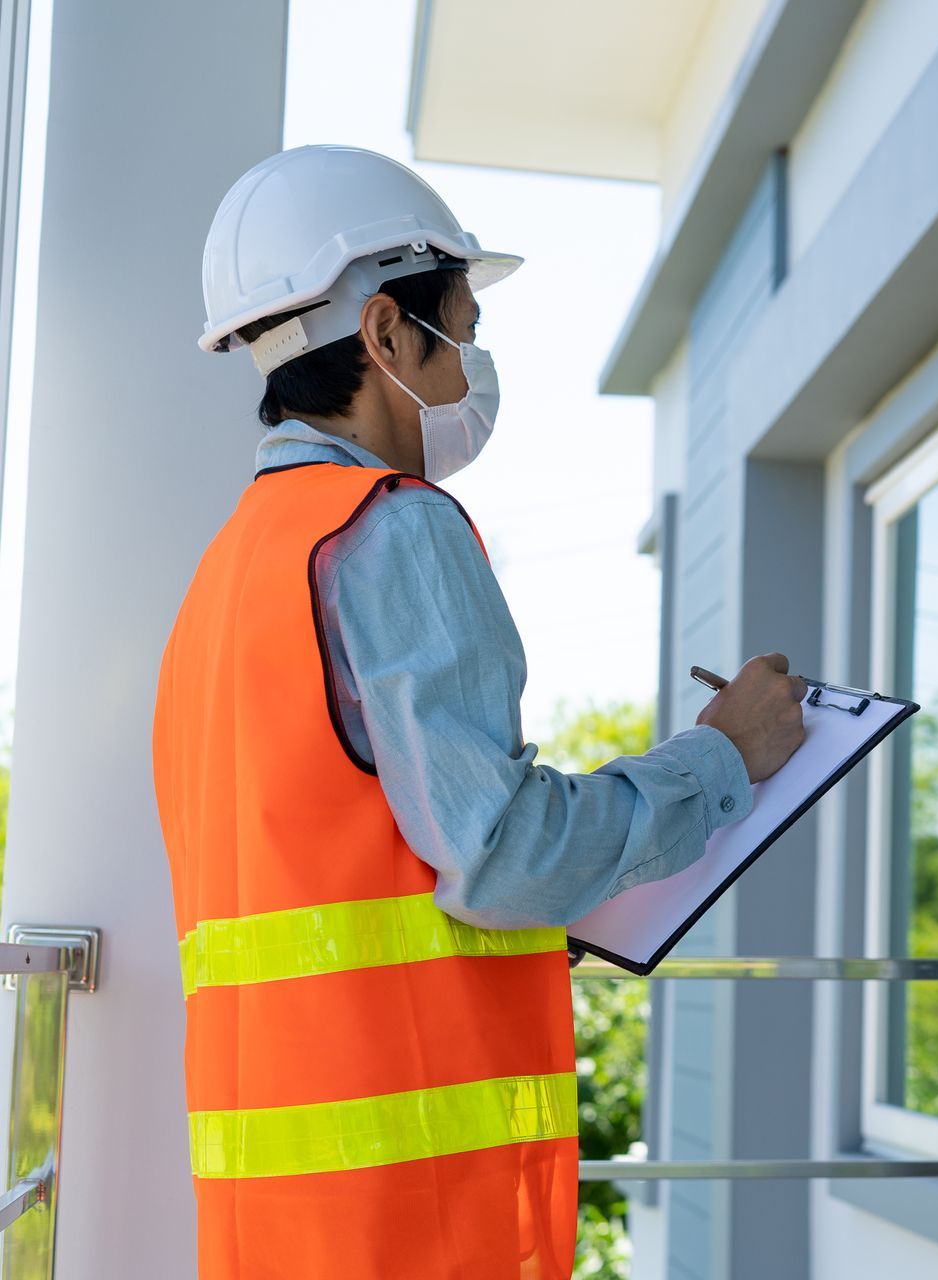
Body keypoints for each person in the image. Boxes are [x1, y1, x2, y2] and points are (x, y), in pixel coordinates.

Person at [150, 144, 805, 1279]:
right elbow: (497, 852)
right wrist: (721, 758)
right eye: (461, 324)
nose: (472, 360)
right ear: (384, 337)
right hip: (412, 1213)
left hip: (278, 1224)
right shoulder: (394, 526)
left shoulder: (227, 570)